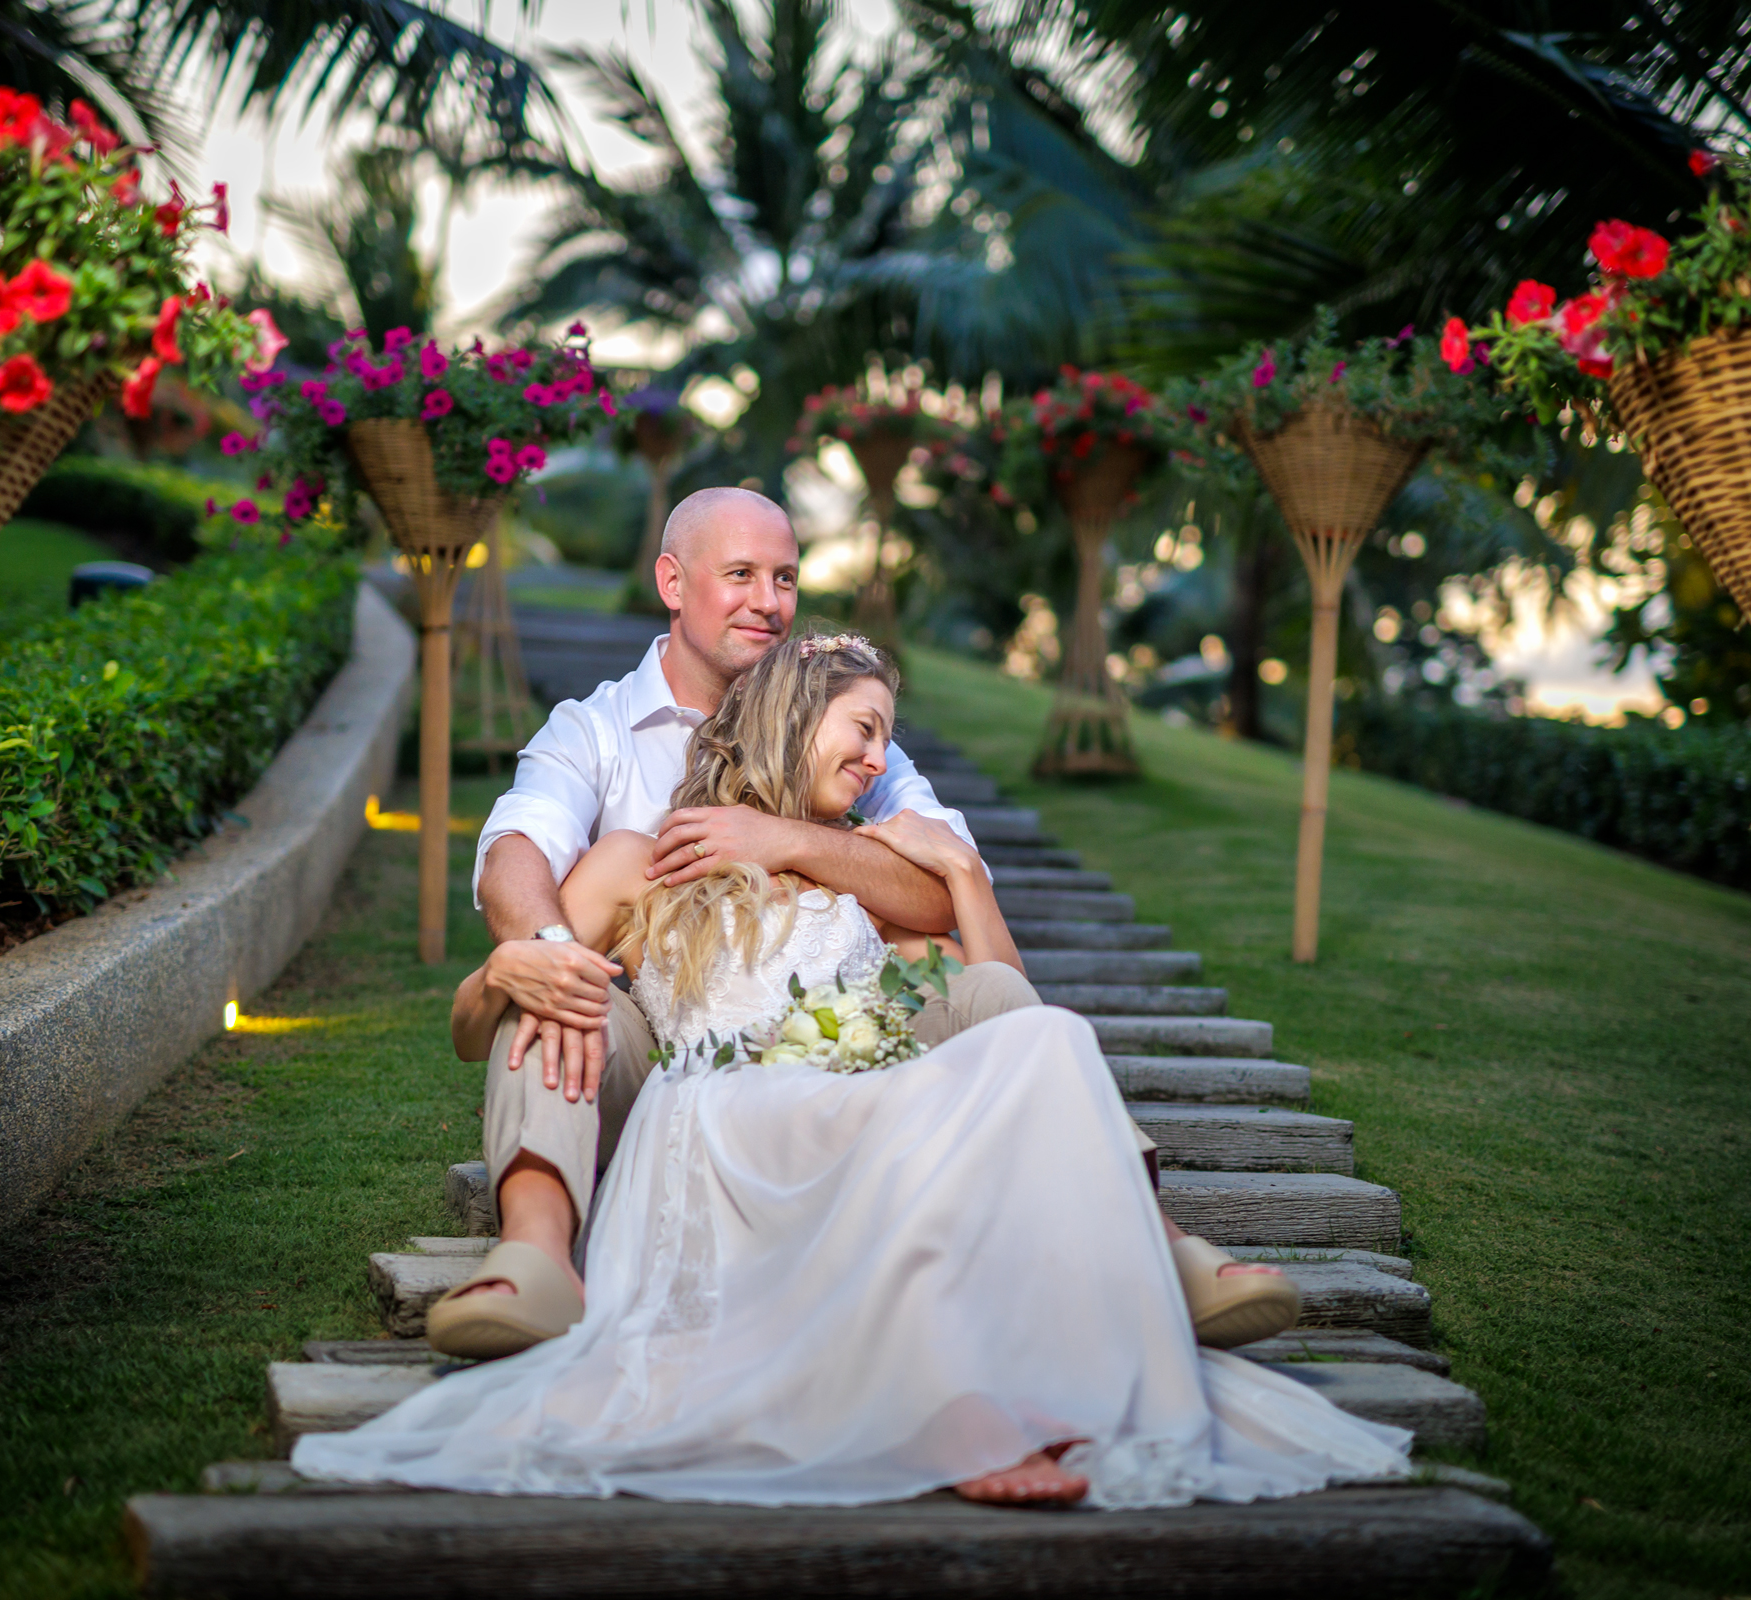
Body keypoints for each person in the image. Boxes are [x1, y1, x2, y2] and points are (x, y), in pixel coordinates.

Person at [294, 632, 1408, 1507]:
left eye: (885, 737)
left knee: (1042, 1038)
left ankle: (1064, 1325)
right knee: (574, 1013)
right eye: (864, 729)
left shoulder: (867, 874)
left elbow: (1009, 1010)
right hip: (721, 1118)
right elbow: (471, 1021)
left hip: (855, 1105)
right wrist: (511, 972)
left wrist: (964, 881)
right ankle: (551, 1263)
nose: (880, 760)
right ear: (791, 714)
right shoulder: (644, 858)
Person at [436, 487, 1290, 1365]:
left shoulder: (847, 739)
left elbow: (950, 890)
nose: (768, 601)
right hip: (655, 1039)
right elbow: (515, 852)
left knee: (988, 987)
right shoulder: (599, 735)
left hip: (834, 1052)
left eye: (785, 579)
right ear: (672, 580)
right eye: (740, 575)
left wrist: (786, 841)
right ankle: (536, 1253)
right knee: (555, 989)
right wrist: (531, 957)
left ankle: (1155, 1238)